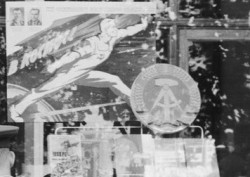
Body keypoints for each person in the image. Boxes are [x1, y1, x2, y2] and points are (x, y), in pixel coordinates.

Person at [10, 16, 148, 121]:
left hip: (83, 74)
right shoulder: (92, 43)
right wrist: (56, 65)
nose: (115, 29)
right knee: (42, 91)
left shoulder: (113, 36)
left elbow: (128, 31)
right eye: (111, 27)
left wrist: (143, 25)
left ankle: (139, 108)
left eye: (114, 27)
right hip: (68, 73)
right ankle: (15, 109)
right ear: (104, 30)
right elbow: (72, 55)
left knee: (114, 80)